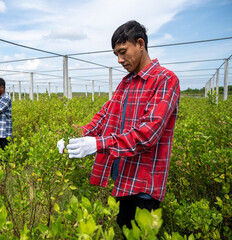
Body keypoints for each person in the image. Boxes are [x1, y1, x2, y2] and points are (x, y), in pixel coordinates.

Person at [57, 20, 180, 231]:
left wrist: (97, 144)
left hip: (145, 184)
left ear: (140, 44)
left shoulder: (165, 80)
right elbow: (103, 117)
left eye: (123, 52)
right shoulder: (126, 83)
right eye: (116, 55)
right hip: (124, 178)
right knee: (124, 226)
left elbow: (147, 134)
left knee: (142, 235)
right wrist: (74, 136)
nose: (120, 60)